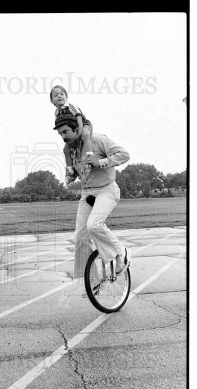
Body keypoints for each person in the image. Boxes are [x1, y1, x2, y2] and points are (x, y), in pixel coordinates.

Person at [53, 114, 131, 280]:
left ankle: (121, 253)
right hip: (87, 192)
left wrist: (101, 162)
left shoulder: (97, 140)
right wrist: (71, 176)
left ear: (76, 129)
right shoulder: (71, 149)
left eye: (65, 131)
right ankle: (92, 280)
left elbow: (124, 154)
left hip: (106, 190)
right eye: (60, 134)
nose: (63, 136)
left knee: (94, 226)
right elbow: (79, 171)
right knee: (80, 238)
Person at [50, 85, 93, 186]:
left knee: (86, 135)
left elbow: (79, 119)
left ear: (66, 96)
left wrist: (79, 134)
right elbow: (61, 127)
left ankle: (89, 159)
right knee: (66, 149)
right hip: (72, 130)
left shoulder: (71, 106)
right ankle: (71, 171)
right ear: (52, 100)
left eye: (62, 94)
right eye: (56, 95)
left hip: (83, 125)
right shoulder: (56, 112)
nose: (60, 96)